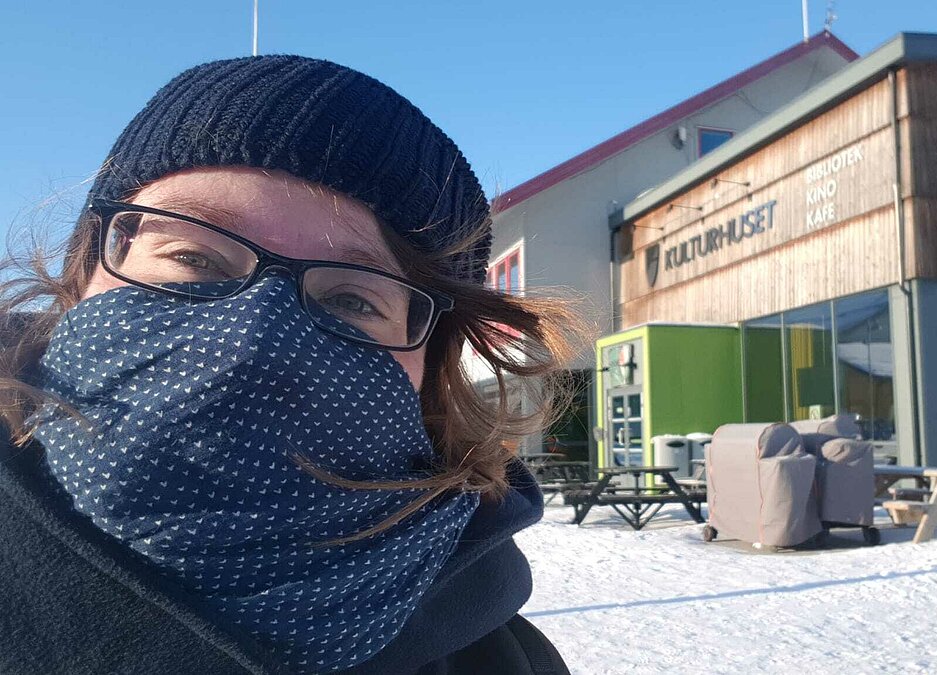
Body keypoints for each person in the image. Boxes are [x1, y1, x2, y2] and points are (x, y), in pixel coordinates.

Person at [0, 55, 578, 674]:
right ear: (84, 269)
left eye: (354, 299)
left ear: (430, 371)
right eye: (195, 257)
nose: (247, 338)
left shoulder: (505, 663)